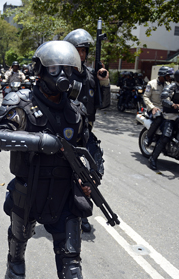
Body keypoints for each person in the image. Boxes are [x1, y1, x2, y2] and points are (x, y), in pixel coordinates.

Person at [0, 41, 91, 279]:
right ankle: (15, 259)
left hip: (64, 191)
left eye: (68, 69)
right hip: (29, 188)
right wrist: (43, 142)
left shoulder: (76, 110)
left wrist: (88, 173)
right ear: (40, 70)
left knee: (71, 255)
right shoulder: (20, 101)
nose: (63, 75)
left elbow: (87, 147)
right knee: (21, 235)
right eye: (55, 68)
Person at [63, 28, 110, 233]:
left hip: (86, 133)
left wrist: (104, 81)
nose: (81, 55)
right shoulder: (61, 73)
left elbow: (103, 103)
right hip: (65, 134)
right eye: (77, 50)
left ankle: (82, 211)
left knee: (93, 172)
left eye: (84, 51)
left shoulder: (91, 75)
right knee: (64, 172)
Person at [148, 68, 179, 170]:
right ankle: (153, 158)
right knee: (166, 136)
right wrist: (172, 104)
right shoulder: (171, 87)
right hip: (169, 116)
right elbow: (164, 98)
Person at [143, 66, 173, 147]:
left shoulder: (168, 85)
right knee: (159, 118)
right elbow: (145, 97)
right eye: (167, 76)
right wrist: (152, 107)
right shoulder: (151, 84)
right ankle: (148, 137)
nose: (168, 77)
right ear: (162, 75)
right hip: (154, 108)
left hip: (165, 109)